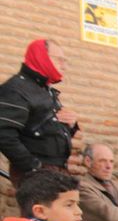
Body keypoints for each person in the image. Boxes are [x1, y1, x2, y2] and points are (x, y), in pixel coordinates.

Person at [0, 40, 78, 184]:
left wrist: (70, 124)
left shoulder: (44, 89)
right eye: (60, 60)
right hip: (37, 173)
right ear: (41, 56)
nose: (64, 66)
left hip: (56, 170)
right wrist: (34, 167)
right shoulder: (16, 88)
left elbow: (46, 130)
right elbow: (4, 134)